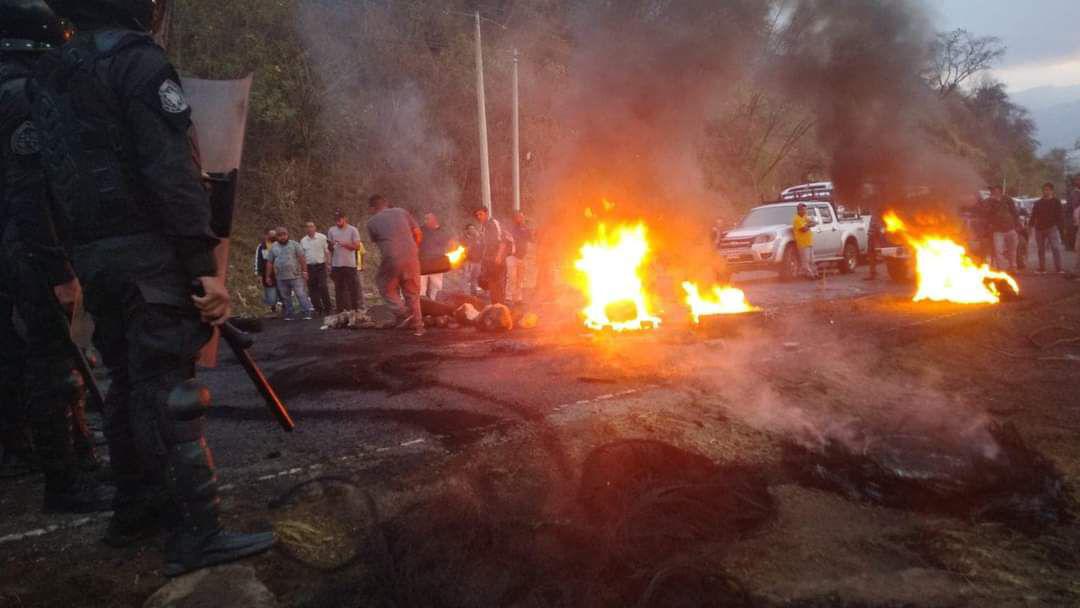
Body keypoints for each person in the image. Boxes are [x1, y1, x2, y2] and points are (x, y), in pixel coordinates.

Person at [32, 0, 274, 575]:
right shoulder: (137, 62)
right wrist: (203, 263)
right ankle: (197, 532)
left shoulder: (49, 73)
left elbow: (47, 180)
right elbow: (169, 169)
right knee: (171, 389)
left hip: (94, 256)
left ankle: (136, 509)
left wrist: (69, 257)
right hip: (148, 255)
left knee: (125, 383)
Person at [0, 0, 112, 511]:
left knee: (39, 357)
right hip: (29, 244)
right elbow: (29, 191)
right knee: (53, 360)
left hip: (17, 243)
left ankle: (77, 458)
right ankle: (65, 481)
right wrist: (58, 269)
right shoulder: (21, 96)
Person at [366, 195, 424, 336]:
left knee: (385, 285)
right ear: (386, 204)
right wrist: (414, 249)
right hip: (412, 256)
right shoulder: (401, 211)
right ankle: (417, 324)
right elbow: (418, 233)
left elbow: (380, 241)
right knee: (412, 291)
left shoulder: (371, 222)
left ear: (372, 208)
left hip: (392, 258)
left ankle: (403, 313)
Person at [267, 227, 314, 321]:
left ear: (287, 235)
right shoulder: (273, 247)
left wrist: (305, 271)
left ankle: (307, 312)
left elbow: (302, 258)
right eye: (280, 235)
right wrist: (268, 276)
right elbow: (269, 262)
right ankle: (289, 314)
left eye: (284, 235)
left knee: (301, 294)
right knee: (285, 297)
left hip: (295, 275)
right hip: (280, 277)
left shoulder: (294, 244)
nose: (283, 237)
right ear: (277, 237)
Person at [473, 207, 514, 304]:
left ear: (487, 213)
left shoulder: (493, 223)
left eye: (481, 214)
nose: (479, 217)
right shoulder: (484, 226)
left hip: (496, 259)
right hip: (488, 260)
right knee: (492, 284)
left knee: (498, 284)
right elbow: (485, 245)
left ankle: (500, 306)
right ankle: (495, 305)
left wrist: (499, 256)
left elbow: (503, 241)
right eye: (477, 215)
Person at [327, 209, 363, 312]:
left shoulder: (353, 230)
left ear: (345, 218)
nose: (337, 221)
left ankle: (355, 309)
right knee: (339, 288)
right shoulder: (331, 230)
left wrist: (345, 244)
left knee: (353, 288)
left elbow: (357, 246)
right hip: (336, 264)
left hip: (349, 264)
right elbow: (329, 248)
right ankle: (340, 310)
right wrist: (331, 245)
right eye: (336, 219)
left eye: (339, 219)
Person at [1030, 182, 1064, 274]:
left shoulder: (1056, 202)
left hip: (1052, 228)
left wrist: (1061, 228)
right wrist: (1030, 226)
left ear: (1052, 191)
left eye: (1048, 190)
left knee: (1055, 248)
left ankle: (1059, 268)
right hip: (1039, 229)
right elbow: (1033, 215)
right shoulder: (1038, 203)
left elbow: (1060, 216)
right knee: (1040, 249)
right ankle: (1042, 268)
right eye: (1044, 190)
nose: (1046, 192)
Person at [419, 211, 453, 301]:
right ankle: (422, 304)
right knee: (421, 287)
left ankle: (435, 304)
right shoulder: (421, 230)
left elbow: (448, 243)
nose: (425, 221)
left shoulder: (441, 231)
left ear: (434, 220)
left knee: (437, 287)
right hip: (423, 263)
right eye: (425, 219)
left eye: (428, 219)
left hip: (437, 263)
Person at [985, 185, 1020, 271]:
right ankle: (1001, 269)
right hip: (998, 230)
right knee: (998, 251)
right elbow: (986, 213)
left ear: (1000, 191)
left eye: (996, 191)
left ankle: (1013, 267)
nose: (995, 193)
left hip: (1010, 228)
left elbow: (1014, 212)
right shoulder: (989, 202)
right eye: (993, 191)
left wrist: (1017, 225)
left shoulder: (1008, 199)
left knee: (1012, 250)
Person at [300, 221, 332, 314]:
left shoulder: (322, 237)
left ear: (315, 227)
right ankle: (318, 309)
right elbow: (302, 257)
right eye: (307, 227)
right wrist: (304, 271)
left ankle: (328, 308)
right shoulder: (303, 241)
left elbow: (326, 251)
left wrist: (328, 264)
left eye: (311, 226)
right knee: (312, 288)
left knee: (323, 286)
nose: (309, 229)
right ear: (305, 229)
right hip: (309, 267)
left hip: (320, 266)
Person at [506, 211, 533, 304]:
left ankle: (518, 298)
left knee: (520, 279)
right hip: (512, 256)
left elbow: (531, 240)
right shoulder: (510, 229)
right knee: (511, 278)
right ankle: (509, 297)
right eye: (518, 217)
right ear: (515, 218)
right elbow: (506, 242)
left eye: (522, 217)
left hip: (522, 257)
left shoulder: (526, 229)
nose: (520, 219)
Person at [254, 228, 279, 316]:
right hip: (268, 274)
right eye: (271, 235)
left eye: (274, 235)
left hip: (281, 273)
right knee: (271, 294)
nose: (273, 237)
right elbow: (258, 261)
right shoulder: (261, 247)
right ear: (267, 235)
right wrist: (258, 274)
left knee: (283, 292)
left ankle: (286, 309)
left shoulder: (280, 244)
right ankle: (273, 309)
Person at [792, 203, 818, 279]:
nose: (805, 211)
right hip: (802, 243)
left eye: (805, 209)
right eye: (803, 210)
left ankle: (815, 274)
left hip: (809, 241)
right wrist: (809, 225)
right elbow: (803, 229)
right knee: (805, 260)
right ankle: (809, 275)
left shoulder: (804, 217)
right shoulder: (797, 219)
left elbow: (814, 223)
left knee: (812, 260)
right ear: (799, 210)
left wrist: (809, 224)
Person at [462, 223, 482, 295]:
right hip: (468, 261)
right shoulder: (464, 238)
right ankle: (465, 293)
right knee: (466, 277)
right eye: (470, 229)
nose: (472, 230)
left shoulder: (478, 238)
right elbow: (465, 249)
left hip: (477, 261)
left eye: (473, 228)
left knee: (475, 278)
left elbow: (482, 248)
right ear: (467, 230)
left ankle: (473, 293)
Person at [863, 213, 884, 281]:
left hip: (873, 236)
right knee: (872, 254)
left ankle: (872, 273)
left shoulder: (876, 215)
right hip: (872, 236)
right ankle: (873, 272)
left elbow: (877, 226)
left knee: (872, 254)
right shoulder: (875, 215)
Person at [1065, 175, 1080, 252]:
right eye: (1078, 180)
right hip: (1074, 217)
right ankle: (1071, 246)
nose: (1078, 181)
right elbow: (1073, 205)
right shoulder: (1073, 193)